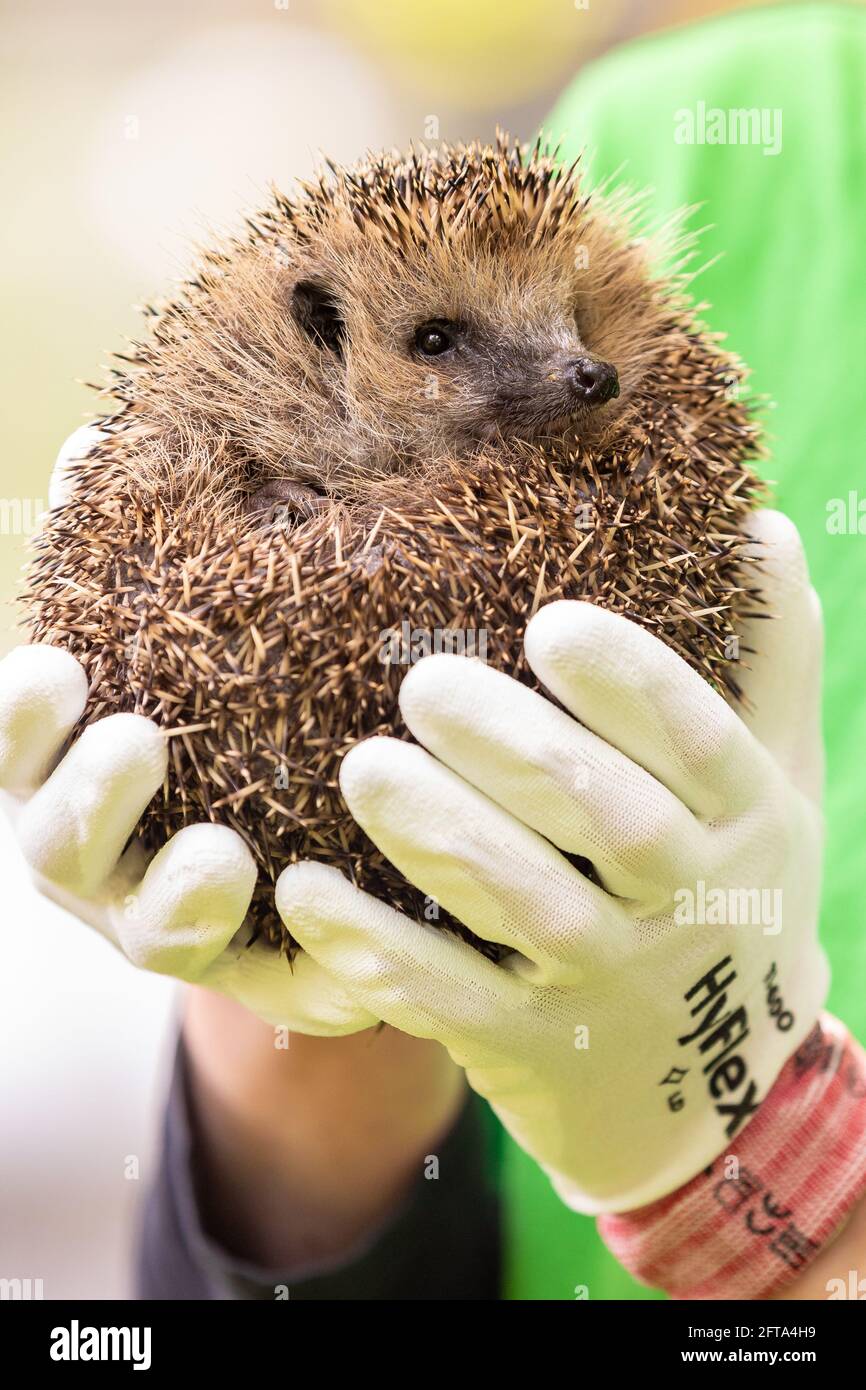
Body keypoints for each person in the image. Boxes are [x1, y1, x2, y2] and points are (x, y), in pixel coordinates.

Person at [1, 3, 864, 1301]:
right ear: (314, 337)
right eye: (445, 343)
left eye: (567, 316)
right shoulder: (677, 137)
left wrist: (751, 1171)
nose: (572, 367)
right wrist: (300, 987)